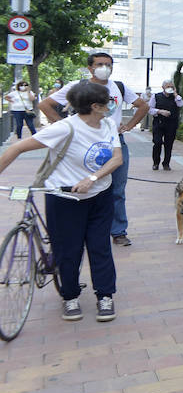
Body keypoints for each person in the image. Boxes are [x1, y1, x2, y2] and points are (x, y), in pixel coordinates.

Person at [0, 81, 123, 322]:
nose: (110, 106)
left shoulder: (108, 124)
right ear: (95, 106)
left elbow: (116, 159)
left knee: (100, 247)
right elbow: (16, 149)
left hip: (99, 195)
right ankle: (70, 297)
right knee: (69, 250)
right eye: (107, 103)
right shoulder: (66, 128)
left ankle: (105, 296)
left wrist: (92, 178)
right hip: (64, 197)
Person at [39, 53, 148, 247]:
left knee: (117, 189)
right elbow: (45, 104)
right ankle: (77, 229)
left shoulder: (119, 87)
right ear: (90, 68)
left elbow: (142, 106)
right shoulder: (77, 86)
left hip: (114, 144)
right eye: (100, 64)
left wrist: (129, 125)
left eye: (108, 64)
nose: (105, 67)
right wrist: (63, 126)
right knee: (79, 187)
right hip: (82, 145)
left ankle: (118, 231)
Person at [149, 80, 183, 170]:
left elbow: (181, 104)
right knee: (157, 142)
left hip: (171, 123)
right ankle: (156, 162)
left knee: (169, 144)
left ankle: (166, 163)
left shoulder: (176, 97)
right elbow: (149, 109)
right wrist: (160, 111)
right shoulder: (156, 96)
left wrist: (175, 94)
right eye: (168, 86)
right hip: (159, 122)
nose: (170, 89)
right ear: (163, 87)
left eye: (171, 87)